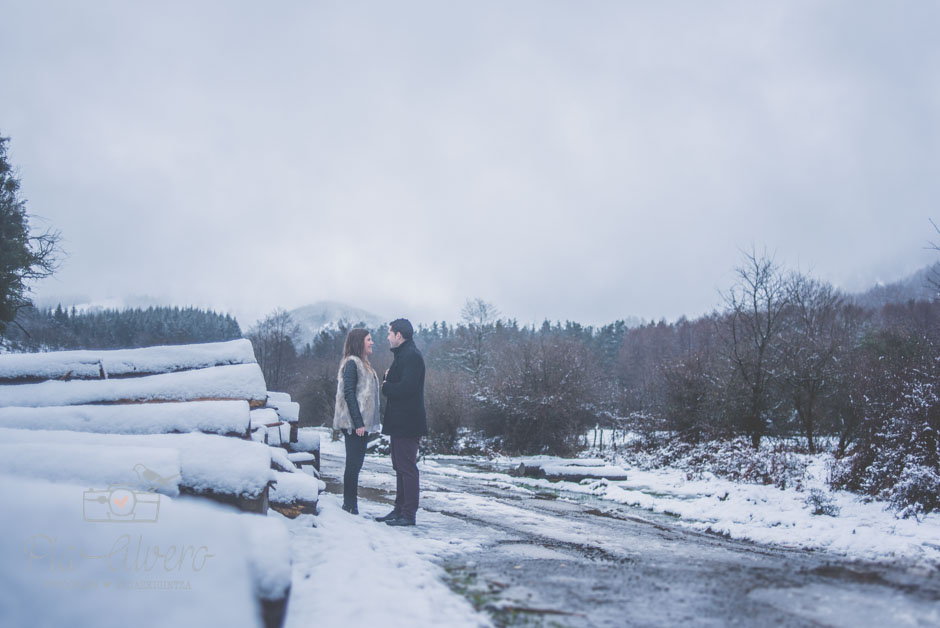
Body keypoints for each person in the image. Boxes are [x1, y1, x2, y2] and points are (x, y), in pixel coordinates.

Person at [375, 318, 427, 526]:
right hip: (400, 422)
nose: (387, 336)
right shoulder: (403, 355)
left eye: (389, 333)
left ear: (399, 335)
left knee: (407, 468)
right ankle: (399, 509)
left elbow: (407, 388)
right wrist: (388, 379)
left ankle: (408, 514)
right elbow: (398, 380)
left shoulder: (412, 356)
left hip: (408, 422)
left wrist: (386, 386)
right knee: (400, 466)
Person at [332, 328, 381, 515]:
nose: (372, 342)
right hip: (354, 425)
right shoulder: (352, 363)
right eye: (369, 339)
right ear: (360, 342)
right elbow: (349, 393)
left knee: (356, 464)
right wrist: (358, 422)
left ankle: (351, 504)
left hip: (360, 424)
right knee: (353, 464)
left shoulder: (363, 363)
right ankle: (349, 505)